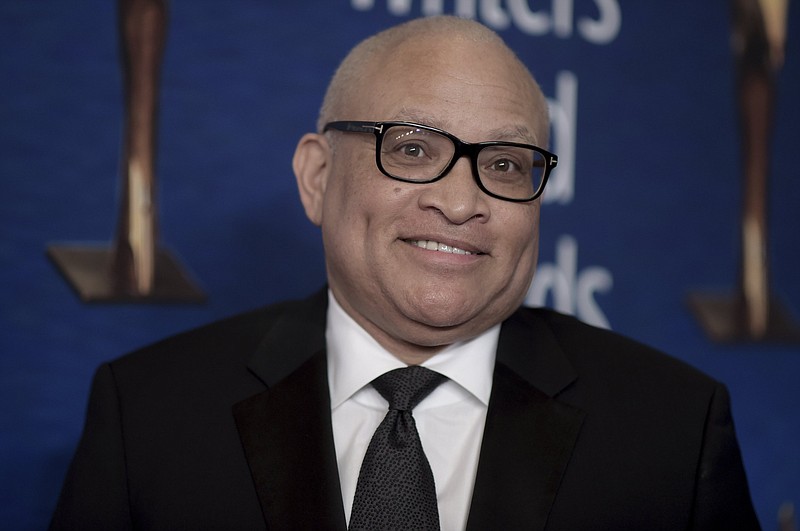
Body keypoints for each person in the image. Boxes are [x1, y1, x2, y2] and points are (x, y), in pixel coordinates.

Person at [50, 15, 760, 530]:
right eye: (414, 149)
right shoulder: (149, 414)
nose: (459, 202)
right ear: (318, 177)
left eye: (506, 164)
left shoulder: (671, 429)